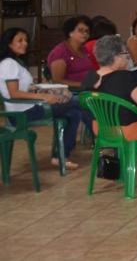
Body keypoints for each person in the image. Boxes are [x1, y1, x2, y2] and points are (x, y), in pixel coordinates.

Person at [80, 34, 137, 184]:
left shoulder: (88, 78)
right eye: (125, 54)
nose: (127, 58)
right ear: (116, 58)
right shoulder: (126, 77)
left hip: (101, 128)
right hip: (128, 129)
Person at [0, 27, 85, 170]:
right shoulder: (9, 63)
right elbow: (14, 93)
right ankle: (103, 141)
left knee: (75, 111)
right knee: (79, 104)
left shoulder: (12, 62)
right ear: (8, 43)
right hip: (23, 112)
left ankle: (61, 156)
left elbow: (21, 88)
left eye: (26, 40)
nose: (25, 43)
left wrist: (39, 86)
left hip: (28, 107)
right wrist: (43, 96)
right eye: (19, 40)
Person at [48, 15, 95, 88]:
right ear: (70, 33)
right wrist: (83, 85)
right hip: (72, 93)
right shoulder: (60, 53)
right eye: (80, 30)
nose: (85, 33)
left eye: (87, 31)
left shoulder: (83, 49)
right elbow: (58, 81)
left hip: (88, 88)